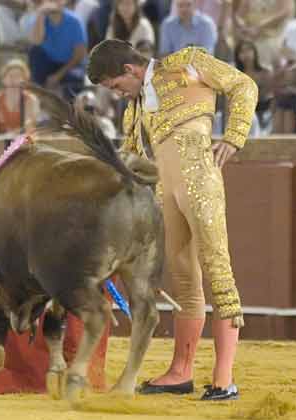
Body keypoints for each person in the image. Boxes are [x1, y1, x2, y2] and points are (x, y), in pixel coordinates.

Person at [87, 39, 257, 400]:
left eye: (117, 86)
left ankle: (223, 379)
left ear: (130, 71)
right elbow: (129, 164)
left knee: (218, 271)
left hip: (201, 180)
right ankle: (181, 371)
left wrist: (234, 136)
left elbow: (244, 85)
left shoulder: (188, 63)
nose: (118, 95)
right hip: (168, 193)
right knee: (184, 279)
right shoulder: (135, 110)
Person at [29, 0, 87, 100]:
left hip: (70, 64)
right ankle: (39, 99)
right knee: (35, 52)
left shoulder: (74, 21)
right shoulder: (40, 19)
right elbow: (36, 41)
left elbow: (79, 55)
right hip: (49, 62)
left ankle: (69, 108)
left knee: (73, 79)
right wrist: (40, 15)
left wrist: (57, 76)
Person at [0, 59, 39, 139]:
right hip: (1, 141)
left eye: (18, 76)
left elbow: (29, 126)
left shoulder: (31, 99)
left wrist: (12, 136)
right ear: (3, 79)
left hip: (25, 142)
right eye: (10, 75)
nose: (13, 79)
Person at [233, 0, 294, 69]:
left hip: (272, 37)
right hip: (249, 35)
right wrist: (243, 26)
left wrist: (260, 27)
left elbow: (285, 12)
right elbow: (239, 15)